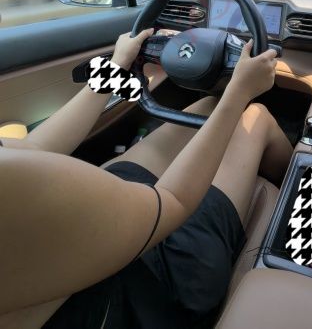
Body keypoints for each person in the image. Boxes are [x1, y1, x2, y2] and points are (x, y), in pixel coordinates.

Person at [0, 29, 293, 329]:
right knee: (256, 116)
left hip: (101, 228)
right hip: (149, 288)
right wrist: (240, 92)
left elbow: (34, 147)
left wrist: (118, 64)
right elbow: (172, 201)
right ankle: (297, 199)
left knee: (207, 106)